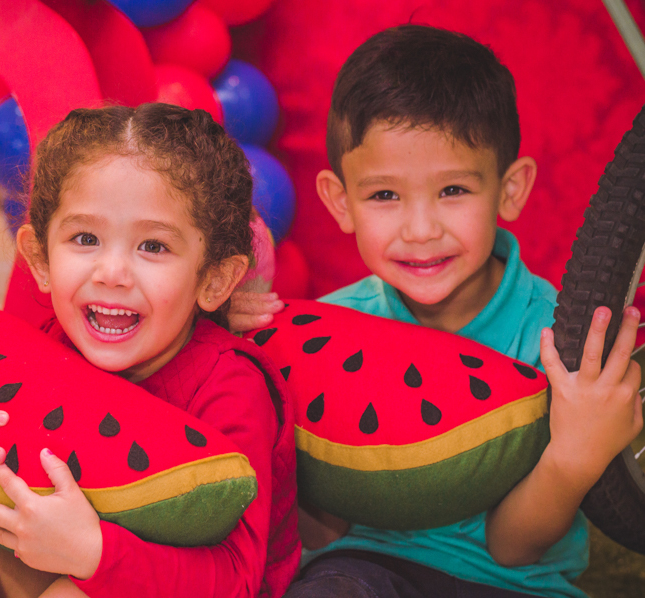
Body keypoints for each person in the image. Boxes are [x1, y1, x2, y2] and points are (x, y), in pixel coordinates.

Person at [236, 24, 643, 598]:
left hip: (509, 585)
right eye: (384, 195)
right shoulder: (321, 332)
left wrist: (576, 456)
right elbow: (323, 532)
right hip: (362, 568)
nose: (421, 230)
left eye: (453, 191)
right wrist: (256, 394)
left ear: (510, 190)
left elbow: (513, 548)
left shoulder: (556, 337)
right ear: (339, 201)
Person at [0, 103, 301, 598]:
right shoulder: (47, 344)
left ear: (214, 279)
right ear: (40, 258)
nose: (111, 273)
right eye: (86, 238)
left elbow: (239, 579)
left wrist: (94, 554)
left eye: (153, 246)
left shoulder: (232, 387)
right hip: (48, 559)